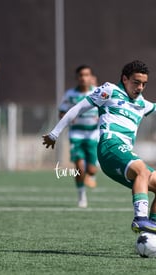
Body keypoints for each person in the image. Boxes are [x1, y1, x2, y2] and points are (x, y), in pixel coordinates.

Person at [43, 60, 156, 237]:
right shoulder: (109, 90)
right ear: (124, 79)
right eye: (136, 82)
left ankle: (151, 240)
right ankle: (140, 219)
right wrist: (55, 133)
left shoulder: (141, 103)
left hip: (122, 152)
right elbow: (78, 108)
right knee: (142, 171)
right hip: (110, 146)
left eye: (144, 84)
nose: (140, 87)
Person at [58, 65, 99, 208]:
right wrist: (68, 117)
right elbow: (61, 112)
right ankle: (81, 194)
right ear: (77, 78)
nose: (83, 78)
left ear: (91, 77)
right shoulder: (70, 94)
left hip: (93, 134)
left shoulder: (97, 92)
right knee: (80, 167)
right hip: (76, 134)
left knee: (92, 170)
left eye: (86, 75)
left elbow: (107, 110)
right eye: (81, 75)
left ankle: (92, 174)